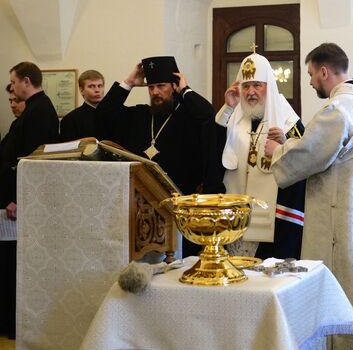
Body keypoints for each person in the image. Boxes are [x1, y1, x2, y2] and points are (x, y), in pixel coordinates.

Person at [265, 43, 353, 349]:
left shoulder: (338, 108)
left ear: (324, 71)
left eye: (312, 74)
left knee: (341, 291)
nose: (312, 81)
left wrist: (278, 152)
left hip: (341, 219)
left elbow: (312, 153)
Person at [96, 56, 224, 255]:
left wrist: (186, 90)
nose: (155, 92)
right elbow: (103, 114)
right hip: (141, 208)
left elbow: (209, 115)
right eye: (151, 87)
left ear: (174, 87)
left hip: (181, 206)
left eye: (161, 86)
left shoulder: (189, 118)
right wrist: (129, 83)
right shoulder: (139, 116)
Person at [216, 52, 305, 259]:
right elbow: (214, 154)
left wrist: (285, 144)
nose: (251, 92)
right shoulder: (234, 118)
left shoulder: (288, 121)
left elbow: (305, 161)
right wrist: (228, 108)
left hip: (272, 222)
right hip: (236, 218)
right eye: (245, 86)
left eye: (257, 85)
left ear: (269, 86)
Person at [0, 62, 59, 340]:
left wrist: (16, 199)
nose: (11, 87)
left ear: (25, 81)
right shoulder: (36, 108)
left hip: (23, 199)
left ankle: (13, 324)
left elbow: (30, 162)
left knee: (15, 264)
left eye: (13, 82)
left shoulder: (39, 110)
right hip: (17, 194)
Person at [59, 69, 105, 141]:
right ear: (81, 90)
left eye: (100, 86)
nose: (97, 90)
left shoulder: (114, 114)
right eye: (91, 86)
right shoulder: (70, 120)